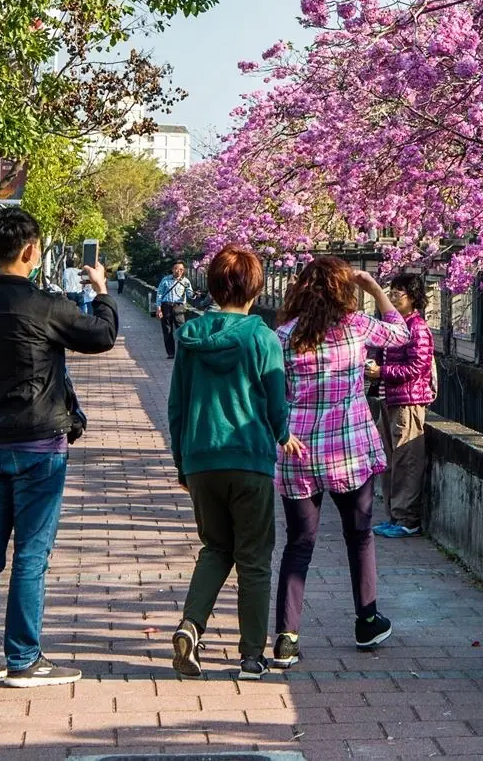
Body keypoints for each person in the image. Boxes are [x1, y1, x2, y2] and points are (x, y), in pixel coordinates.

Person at [0, 207, 118, 688]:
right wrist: (102, 290)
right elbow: (103, 335)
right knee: (30, 554)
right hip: (40, 448)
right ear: (29, 250)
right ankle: (23, 659)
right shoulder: (46, 305)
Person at [166, 245, 303, 681]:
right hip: (249, 459)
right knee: (254, 558)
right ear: (255, 286)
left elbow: (177, 405)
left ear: (213, 285)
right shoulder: (262, 338)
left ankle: (191, 625)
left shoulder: (190, 337)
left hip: (202, 458)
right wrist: (283, 436)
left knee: (215, 548)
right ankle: (250, 656)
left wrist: (182, 463)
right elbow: (275, 401)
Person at [270, 257, 408, 670]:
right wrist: (374, 288)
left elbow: (273, 394)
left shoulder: (284, 336)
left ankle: (286, 639)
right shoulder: (355, 327)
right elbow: (400, 334)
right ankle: (366, 620)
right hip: (349, 450)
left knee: (298, 544)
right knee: (359, 536)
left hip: (299, 451)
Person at [367, 273, 436, 539]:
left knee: (407, 461)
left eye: (398, 294)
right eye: (391, 292)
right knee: (389, 460)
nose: (393, 297)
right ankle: (395, 515)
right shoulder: (396, 325)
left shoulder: (417, 327)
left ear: (412, 297)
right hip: (390, 399)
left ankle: (407, 518)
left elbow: (417, 367)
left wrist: (382, 372)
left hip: (408, 402)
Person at [153, 261, 194, 358]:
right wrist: (158, 309)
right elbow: (159, 294)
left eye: (181, 269)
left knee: (181, 330)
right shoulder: (165, 280)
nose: (178, 271)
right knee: (167, 330)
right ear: (172, 269)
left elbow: (190, 294)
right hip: (166, 306)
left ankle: (183, 352)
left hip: (179, 306)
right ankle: (170, 353)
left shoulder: (186, 281)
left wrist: (194, 295)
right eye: (176, 269)